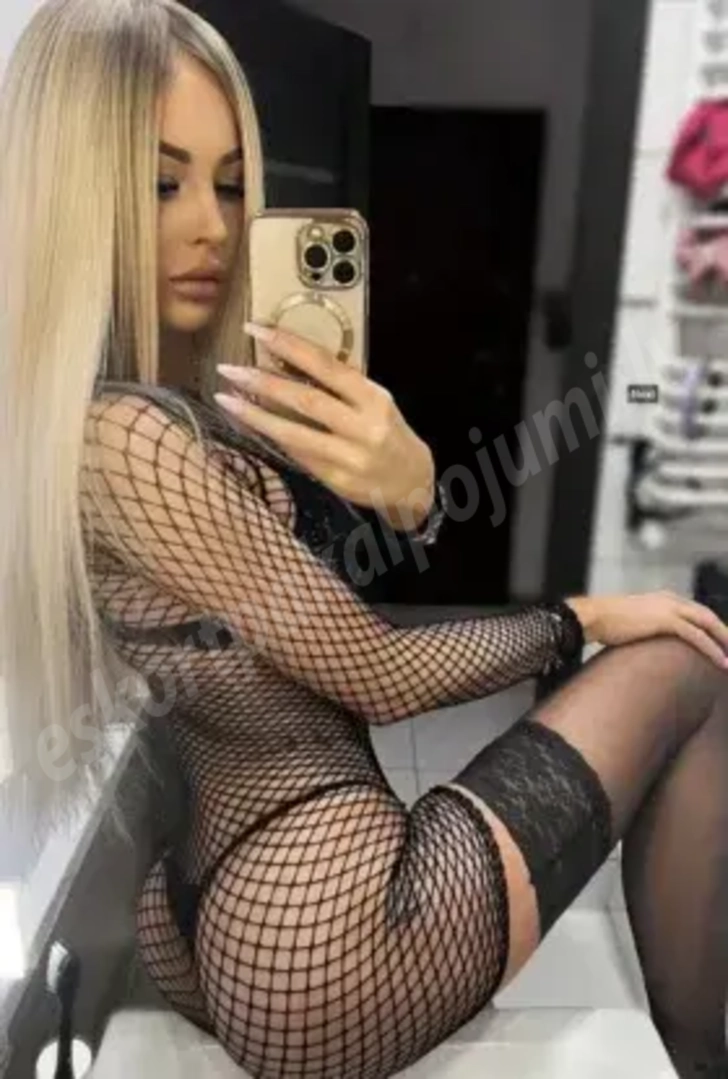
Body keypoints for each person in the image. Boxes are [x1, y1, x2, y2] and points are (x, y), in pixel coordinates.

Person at [0, 3, 727, 1077]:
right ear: (71, 190)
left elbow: (320, 600)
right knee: (686, 659)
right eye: (160, 183)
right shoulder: (125, 437)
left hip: (221, 887)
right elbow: (377, 671)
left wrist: (410, 491)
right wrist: (583, 618)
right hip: (315, 930)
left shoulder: (169, 405)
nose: (212, 226)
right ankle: (703, 1053)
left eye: (232, 184)